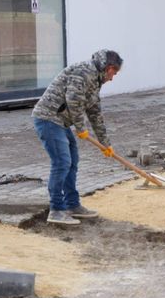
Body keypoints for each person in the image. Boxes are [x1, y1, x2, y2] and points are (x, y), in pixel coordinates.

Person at [32, 49, 123, 225]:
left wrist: (106, 144)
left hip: (61, 122)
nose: (113, 78)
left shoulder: (96, 80)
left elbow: (95, 113)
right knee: (62, 162)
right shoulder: (84, 71)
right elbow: (73, 100)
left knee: (72, 161)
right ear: (109, 67)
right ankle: (56, 210)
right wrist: (81, 128)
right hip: (48, 119)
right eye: (114, 73)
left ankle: (72, 205)